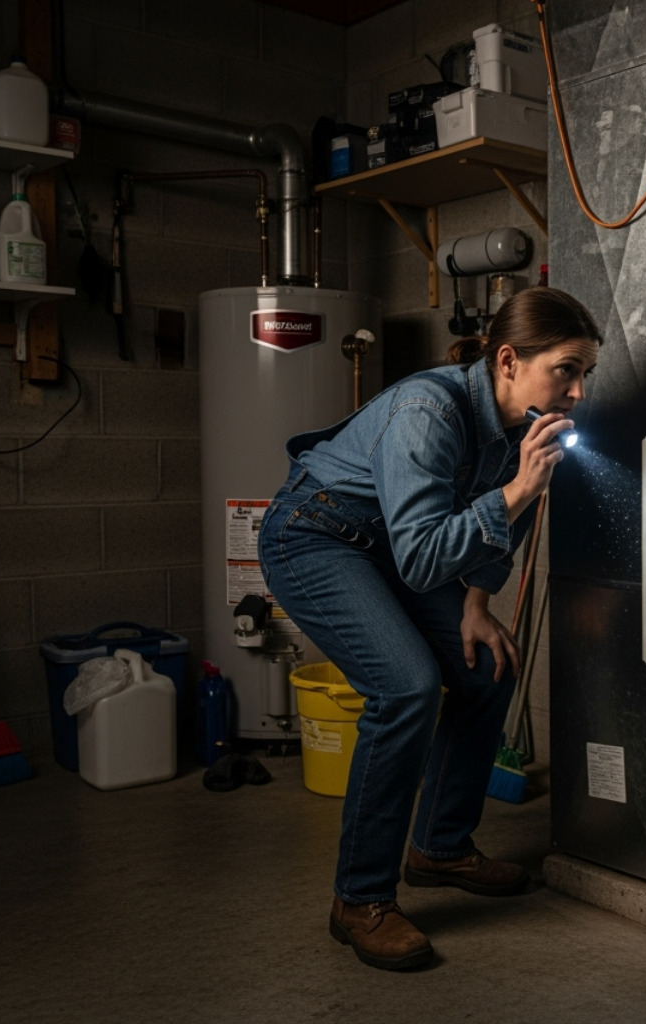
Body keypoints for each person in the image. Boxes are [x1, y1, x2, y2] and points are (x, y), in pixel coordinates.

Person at [258, 287, 602, 971]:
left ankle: (440, 849)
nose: (578, 391)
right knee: (407, 686)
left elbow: (504, 527)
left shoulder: (521, 425)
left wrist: (477, 603)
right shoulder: (428, 410)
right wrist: (518, 490)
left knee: (486, 666)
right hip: (316, 536)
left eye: (585, 373)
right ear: (508, 360)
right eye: (566, 368)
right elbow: (424, 558)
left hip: (392, 549)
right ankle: (358, 900)